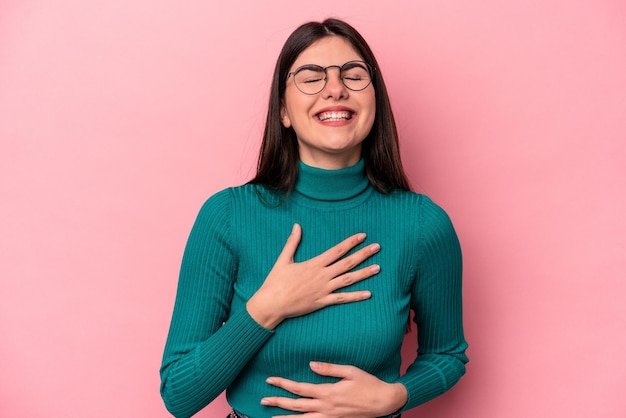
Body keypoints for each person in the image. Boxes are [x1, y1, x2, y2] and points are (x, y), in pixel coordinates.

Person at [160, 18, 468, 418]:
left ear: (375, 100)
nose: (335, 88)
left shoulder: (423, 225)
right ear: (284, 111)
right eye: (311, 77)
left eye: (354, 75)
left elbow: (447, 354)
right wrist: (269, 306)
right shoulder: (227, 217)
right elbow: (179, 394)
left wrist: (398, 396)